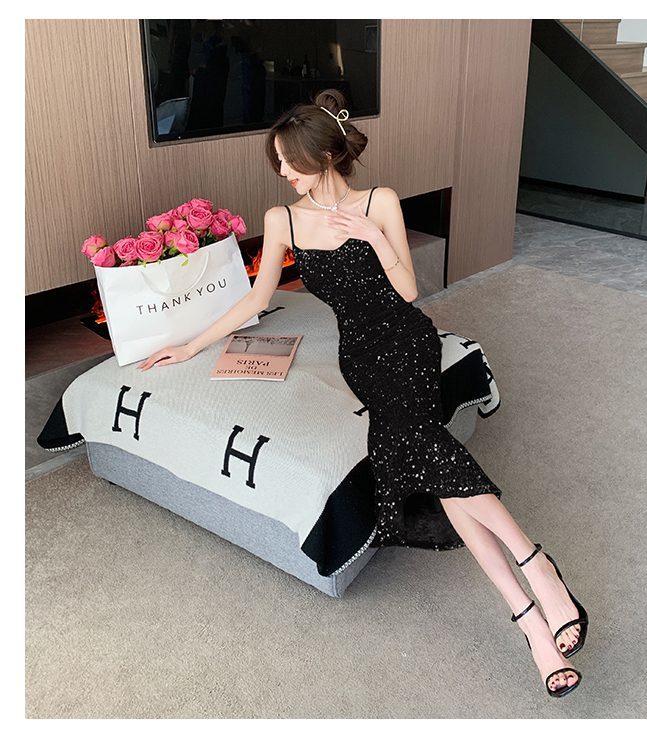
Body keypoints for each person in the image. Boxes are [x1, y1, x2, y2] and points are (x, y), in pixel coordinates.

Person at [138, 88, 588, 698]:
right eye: (278, 163)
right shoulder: (281, 220)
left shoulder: (380, 201)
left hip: (408, 343)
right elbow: (257, 298)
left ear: (325, 156)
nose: (284, 173)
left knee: (424, 455)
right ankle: (539, 575)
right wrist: (191, 345)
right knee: (429, 455)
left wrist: (372, 235)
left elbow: (408, 292)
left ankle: (529, 614)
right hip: (362, 359)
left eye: (291, 162)